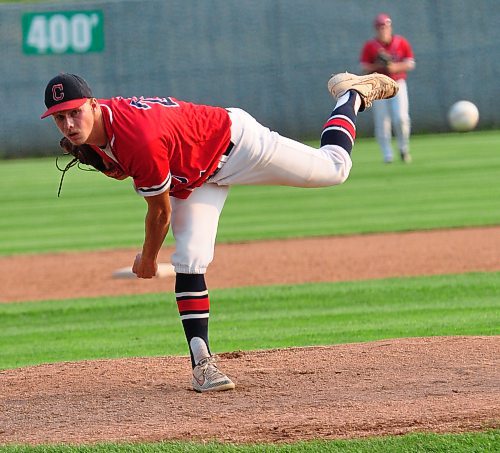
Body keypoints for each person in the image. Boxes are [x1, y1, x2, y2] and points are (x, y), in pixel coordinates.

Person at [41, 71, 398, 392]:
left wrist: (148, 258)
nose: (70, 124)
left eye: (76, 112)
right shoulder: (97, 130)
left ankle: (349, 95)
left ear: (93, 104)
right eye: (60, 117)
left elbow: (160, 211)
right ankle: (203, 366)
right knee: (191, 259)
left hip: (237, 144)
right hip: (197, 176)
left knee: (334, 168)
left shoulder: (137, 138)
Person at [359, 13, 415, 163]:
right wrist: (379, 66)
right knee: (382, 121)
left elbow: (410, 63)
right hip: (378, 87)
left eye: (385, 26)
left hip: (397, 84)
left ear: (390, 27)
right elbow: (363, 67)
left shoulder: (400, 42)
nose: (383, 29)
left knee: (401, 118)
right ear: (376, 29)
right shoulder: (371, 46)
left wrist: (394, 66)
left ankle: (403, 148)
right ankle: (387, 155)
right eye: (380, 27)